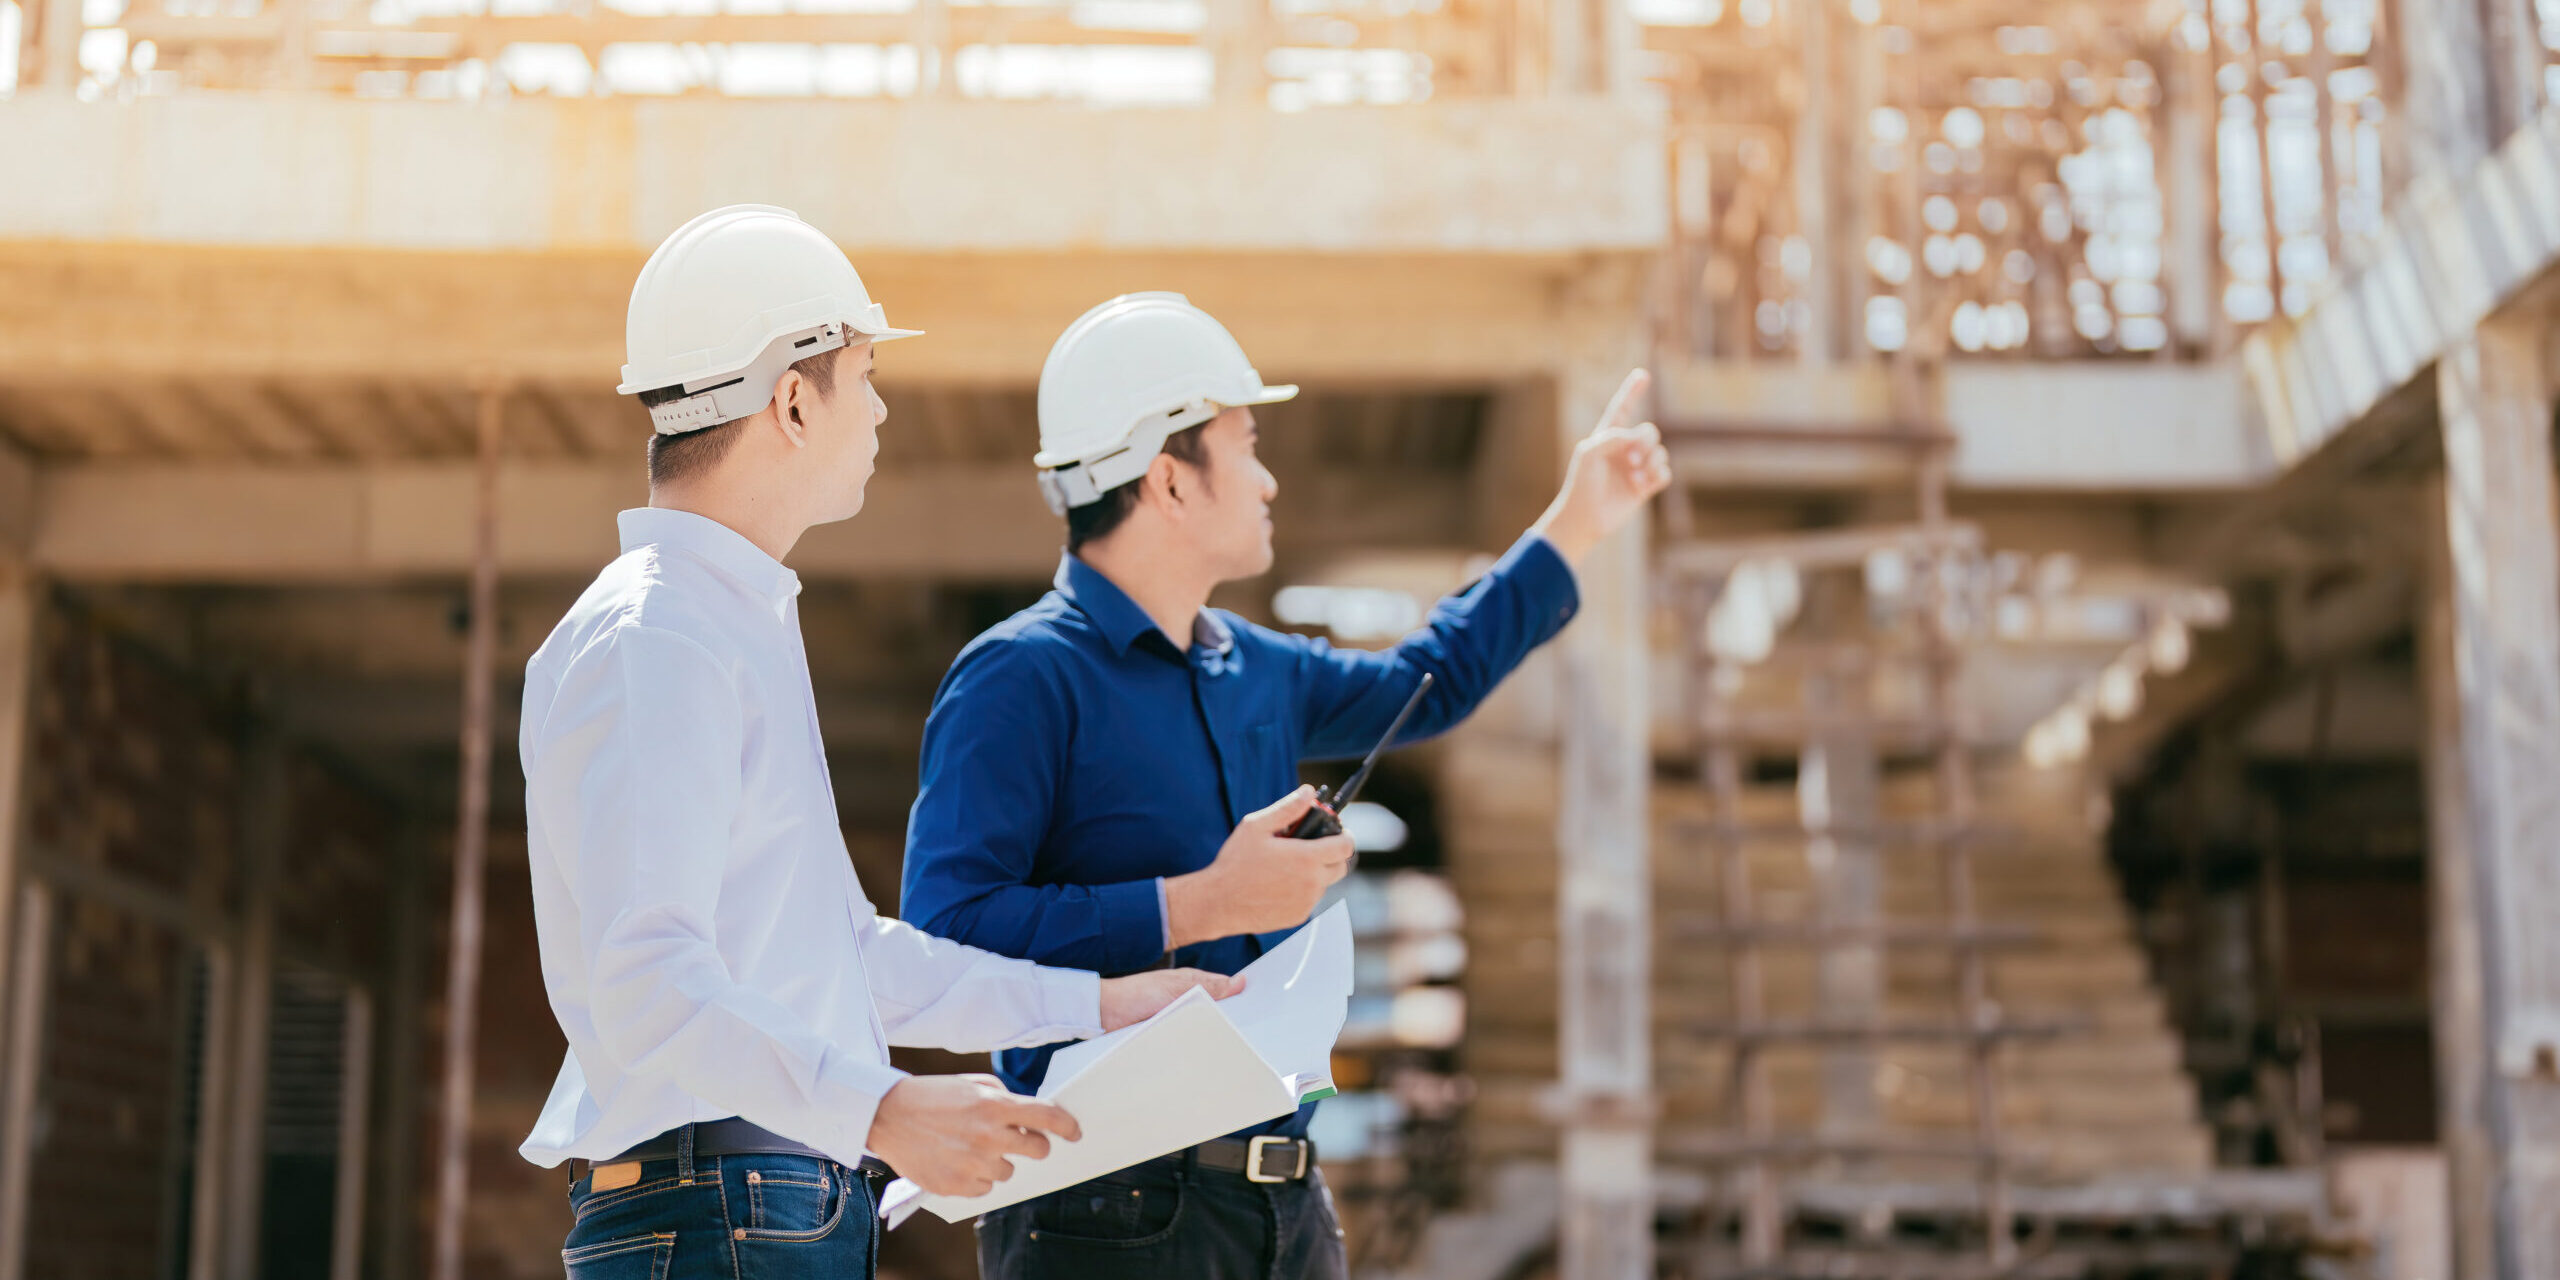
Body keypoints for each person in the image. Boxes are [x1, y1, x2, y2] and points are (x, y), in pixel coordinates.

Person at [899, 292, 1671, 1279]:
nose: (1268, 479)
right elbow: (941, 940)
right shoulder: (1018, 679)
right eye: (1247, 442)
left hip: (1281, 1204)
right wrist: (1197, 903)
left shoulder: (1251, 666)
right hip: (1105, 1212)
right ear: (1171, 481)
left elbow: (1420, 686)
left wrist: (1577, 521)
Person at [519, 211, 1230, 1280]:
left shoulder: (724, 620)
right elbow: (646, 980)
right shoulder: (660, 636)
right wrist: (884, 1106)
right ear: (794, 401)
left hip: (759, 1204)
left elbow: (846, 958)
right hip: (725, 1213)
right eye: (864, 370)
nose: (885, 405)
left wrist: (1099, 1002)